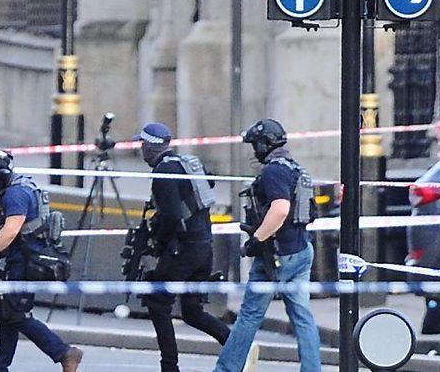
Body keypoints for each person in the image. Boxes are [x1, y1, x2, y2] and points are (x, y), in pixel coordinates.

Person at [213, 118, 322, 372]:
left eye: (255, 145)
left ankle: (226, 369)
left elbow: (281, 209)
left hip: (276, 255)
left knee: (250, 316)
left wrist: (256, 240)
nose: (254, 151)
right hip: (301, 251)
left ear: (265, 144)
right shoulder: (295, 167)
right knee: (302, 317)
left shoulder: (274, 171)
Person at [0, 150, 84, 372]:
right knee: (6, 314)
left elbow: (11, 230)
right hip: (17, 261)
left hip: (20, 263)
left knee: (16, 314)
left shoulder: (16, 194)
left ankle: (64, 353)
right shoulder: (22, 188)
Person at [136, 122, 231, 372]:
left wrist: (158, 245)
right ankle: (235, 344)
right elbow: (207, 183)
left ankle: (170, 367)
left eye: (142, 144)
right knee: (191, 309)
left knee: (158, 302)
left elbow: (172, 218)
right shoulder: (185, 163)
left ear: (149, 147)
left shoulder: (163, 174)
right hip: (204, 246)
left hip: (185, 250)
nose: (140, 150)